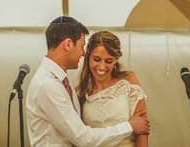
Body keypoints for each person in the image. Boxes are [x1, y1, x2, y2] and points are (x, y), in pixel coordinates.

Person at [25, 16, 149, 146]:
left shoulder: (61, 82)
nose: (83, 53)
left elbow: (143, 127)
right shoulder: (48, 85)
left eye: (108, 61)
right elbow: (83, 138)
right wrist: (129, 126)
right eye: (81, 46)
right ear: (68, 44)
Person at [77, 31, 148, 147]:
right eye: (97, 59)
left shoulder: (128, 81)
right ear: (88, 56)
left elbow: (142, 130)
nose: (102, 67)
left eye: (108, 61)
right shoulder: (80, 92)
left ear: (115, 60)